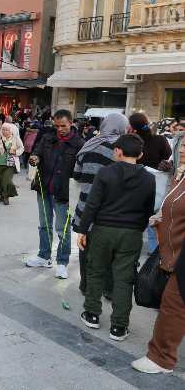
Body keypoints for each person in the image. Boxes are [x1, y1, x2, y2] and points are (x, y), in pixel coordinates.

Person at [77, 134, 156, 341]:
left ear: (118, 151)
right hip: (131, 233)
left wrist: (83, 230)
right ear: (140, 154)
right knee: (124, 279)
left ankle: (92, 314)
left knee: (96, 271)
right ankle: (119, 327)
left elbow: (92, 204)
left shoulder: (105, 172)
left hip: (103, 229)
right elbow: (148, 209)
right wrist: (137, 229)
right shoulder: (149, 178)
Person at [132, 137, 185, 373]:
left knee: (173, 305)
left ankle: (161, 358)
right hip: (172, 251)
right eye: (182, 144)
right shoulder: (180, 176)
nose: (182, 149)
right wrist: (161, 221)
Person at [72, 112, 129, 296]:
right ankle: (108, 288)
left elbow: (77, 176)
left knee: (84, 246)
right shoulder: (120, 151)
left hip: (85, 207)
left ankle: (85, 285)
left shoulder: (88, 145)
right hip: (109, 210)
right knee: (109, 250)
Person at [27, 109, 85, 279]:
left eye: (63, 126)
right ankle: (44, 256)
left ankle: (62, 262)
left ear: (71, 123)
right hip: (44, 188)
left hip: (64, 194)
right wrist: (35, 157)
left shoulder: (79, 144)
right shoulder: (47, 137)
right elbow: (36, 151)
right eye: (57, 125)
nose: (59, 129)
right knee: (44, 225)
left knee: (62, 229)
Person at [0, 123, 23, 206]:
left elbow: (22, 148)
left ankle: (6, 196)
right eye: (3, 129)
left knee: (7, 180)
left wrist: (16, 152)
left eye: (7, 129)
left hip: (10, 164)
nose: (4, 131)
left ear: (11, 131)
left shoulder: (15, 138)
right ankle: (1, 195)